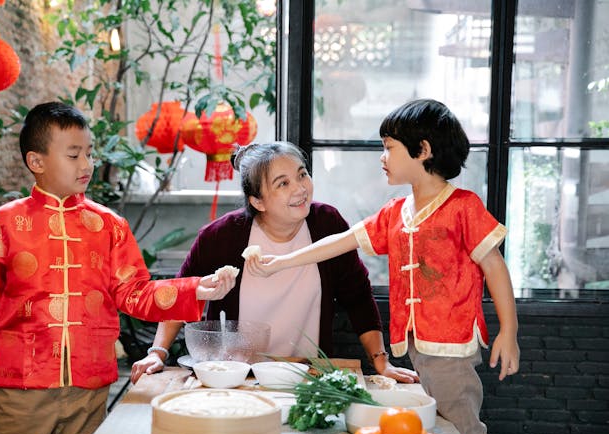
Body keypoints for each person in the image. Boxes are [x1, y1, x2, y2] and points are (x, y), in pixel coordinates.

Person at [0, 102, 236, 434]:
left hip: (87, 389)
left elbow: (134, 291)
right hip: (17, 392)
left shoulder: (109, 226)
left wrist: (196, 289)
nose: (87, 163)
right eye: (73, 154)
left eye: (89, 152)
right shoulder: (4, 224)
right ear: (36, 161)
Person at [245, 100, 519, 434]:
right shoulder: (397, 212)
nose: (382, 157)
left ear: (422, 150)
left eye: (389, 147)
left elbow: (495, 267)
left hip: (451, 346)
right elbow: (340, 242)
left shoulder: (463, 208)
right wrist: (280, 262)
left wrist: (508, 331)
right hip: (418, 346)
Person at [131, 141, 419, 384]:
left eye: (302, 175)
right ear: (258, 201)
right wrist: (157, 353)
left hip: (306, 374)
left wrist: (382, 362)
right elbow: (182, 293)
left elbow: (358, 297)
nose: (300, 188)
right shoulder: (221, 236)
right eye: (283, 183)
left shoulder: (326, 223)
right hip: (236, 377)